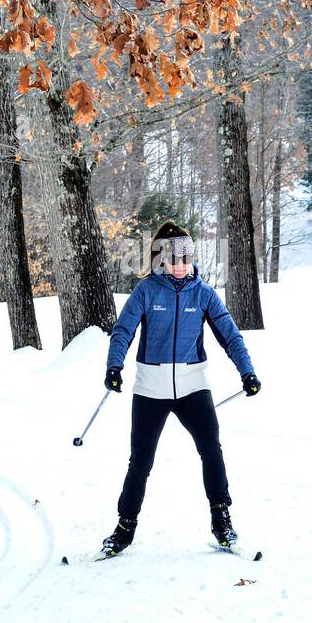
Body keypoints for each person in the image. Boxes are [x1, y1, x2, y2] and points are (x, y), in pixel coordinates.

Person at [98, 221, 262, 556]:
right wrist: (114, 366)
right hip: (151, 389)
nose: (180, 264)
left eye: (186, 256)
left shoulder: (203, 294)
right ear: (160, 259)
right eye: (173, 257)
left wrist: (247, 372)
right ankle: (124, 528)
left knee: (211, 449)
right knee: (140, 461)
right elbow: (123, 331)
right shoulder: (146, 291)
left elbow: (231, 336)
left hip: (192, 386)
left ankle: (222, 520)